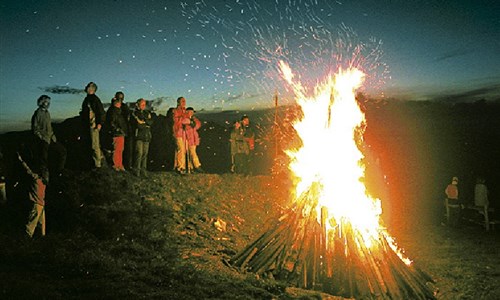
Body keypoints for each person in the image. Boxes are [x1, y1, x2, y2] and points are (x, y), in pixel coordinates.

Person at [31, 95, 67, 182]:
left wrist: (53, 136)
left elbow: (49, 126)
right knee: (44, 159)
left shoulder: (47, 113)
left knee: (62, 151)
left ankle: (60, 171)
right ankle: (45, 177)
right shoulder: (38, 113)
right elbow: (35, 129)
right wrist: (42, 137)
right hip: (44, 140)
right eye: (46, 102)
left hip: (51, 138)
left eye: (48, 102)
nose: (48, 104)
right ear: (42, 102)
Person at [17, 149, 46, 238]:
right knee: (42, 228)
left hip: (36, 205)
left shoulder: (36, 180)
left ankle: (25, 242)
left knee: (30, 226)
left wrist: (21, 160)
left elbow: (27, 170)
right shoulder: (44, 182)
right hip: (42, 204)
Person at [81, 82, 105, 169]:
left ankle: (97, 164)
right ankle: (92, 163)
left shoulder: (95, 99)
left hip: (93, 125)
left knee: (95, 145)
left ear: (92, 89)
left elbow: (100, 112)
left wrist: (99, 123)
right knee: (91, 144)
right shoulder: (87, 99)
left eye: (88, 87)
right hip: (88, 125)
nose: (87, 88)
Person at [131, 98, 154, 177]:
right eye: (142, 104)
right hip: (139, 136)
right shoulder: (135, 113)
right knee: (139, 153)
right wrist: (146, 123)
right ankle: (136, 170)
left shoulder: (146, 112)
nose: (144, 106)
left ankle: (143, 170)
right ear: (138, 105)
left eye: (144, 104)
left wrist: (143, 121)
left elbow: (150, 122)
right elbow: (138, 125)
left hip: (146, 136)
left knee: (145, 153)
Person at [105, 97, 127, 171]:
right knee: (117, 149)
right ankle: (116, 165)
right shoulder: (114, 111)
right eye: (119, 102)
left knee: (120, 149)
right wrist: (118, 130)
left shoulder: (117, 111)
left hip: (120, 133)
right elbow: (112, 123)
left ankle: (119, 164)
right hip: (117, 133)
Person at [116, 92, 133, 170]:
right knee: (120, 149)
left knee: (123, 149)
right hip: (123, 130)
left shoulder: (122, 107)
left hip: (124, 130)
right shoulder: (120, 107)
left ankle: (123, 165)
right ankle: (122, 165)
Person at [172, 97, 190, 174]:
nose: (184, 102)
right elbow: (175, 120)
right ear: (178, 102)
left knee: (183, 150)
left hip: (184, 133)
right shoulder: (175, 111)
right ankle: (180, 167)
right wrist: (183, 120)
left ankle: (181, 166)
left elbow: (188, 120)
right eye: (182, 101)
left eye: (184, 101)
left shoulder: (185, 111)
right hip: (178, 132)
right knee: (181, 149)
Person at [184, 107, 203, 173]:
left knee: (191, 152)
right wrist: (190, 123)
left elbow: (198, 125)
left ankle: (191, 167)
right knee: (192, 153)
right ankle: (197, 165)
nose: (192, 113)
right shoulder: (185, 118)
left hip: (193, 138)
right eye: (191, 112)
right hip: (188, 138)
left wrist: (193, 122)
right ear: (187, 112)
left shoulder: (194, 119)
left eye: (192, 112)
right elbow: (186, 127)